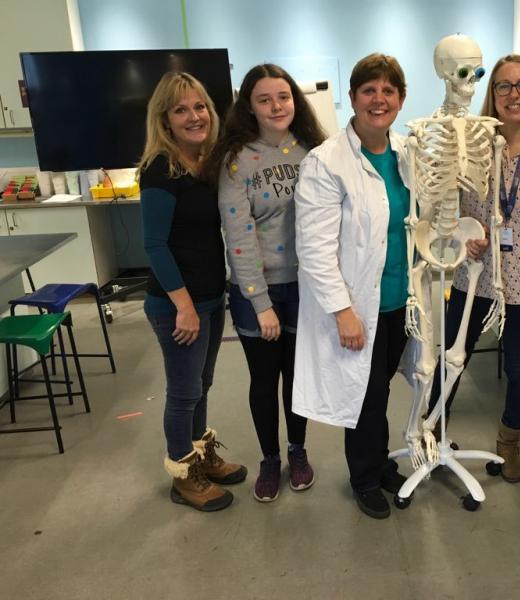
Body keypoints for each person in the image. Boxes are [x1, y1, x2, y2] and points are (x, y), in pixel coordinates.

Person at [426, 55, 520, 483]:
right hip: (474, 274)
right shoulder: (470, 144)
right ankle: (434, 432)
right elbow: (443, 209)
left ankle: (508, 443)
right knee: (450, 358)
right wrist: (458, 234)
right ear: (492, 93)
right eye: (504, 86)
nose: (514, 94)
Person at [293, 53, 410, 519]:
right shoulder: (327, 162)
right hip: (359, 305)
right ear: (353, 98)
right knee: (362, 395)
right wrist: (343, 310)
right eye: (369, 90)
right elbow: (315, 249)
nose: (379, 99)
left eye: (389, 91)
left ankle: (379, 465)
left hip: (400, 299)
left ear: (401, 99)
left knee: (378, 389)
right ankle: (363, 477)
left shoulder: (406, 154)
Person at [204, 64, 326, 503]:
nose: (276, 106)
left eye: (284, 97)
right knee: (263, 378)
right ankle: (270, 458)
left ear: (295, 100)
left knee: (297, 377)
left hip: (307, 287)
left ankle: (297, 450)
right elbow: (238, 237)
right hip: (259, 290)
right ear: (249, 107)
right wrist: (260, 303)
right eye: (265, 99)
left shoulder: (314, 151)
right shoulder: (236, 160)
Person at [138, 72, 246, 512]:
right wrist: (183, 306)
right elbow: (154, 245)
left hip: (208, 297)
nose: (194, 116)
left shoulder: (208, 163)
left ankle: (200, 458)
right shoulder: (161, 169)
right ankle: (183, 476)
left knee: (201, 384)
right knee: (183, 393)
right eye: (181, 109)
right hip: (176, 305)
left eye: (199, 106)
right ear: (165, 120)